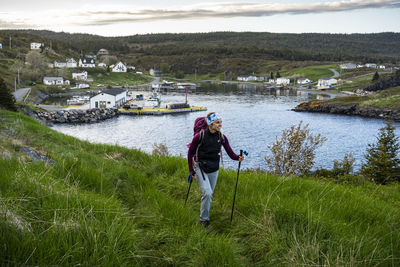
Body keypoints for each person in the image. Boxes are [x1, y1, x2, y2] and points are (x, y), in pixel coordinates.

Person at [187, 112, 244, 228]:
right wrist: (190, 170)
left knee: (209, 194)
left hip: (214, 168)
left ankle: (204, 214)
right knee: (207, 193)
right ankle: (204, 221)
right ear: (211, 124)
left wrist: (238, 157)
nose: (220, 125)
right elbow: (190, 153)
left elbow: (230, 153)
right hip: (200, 167)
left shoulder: (221, 137)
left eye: (221, 122)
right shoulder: (200, 136)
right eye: (217, 122)